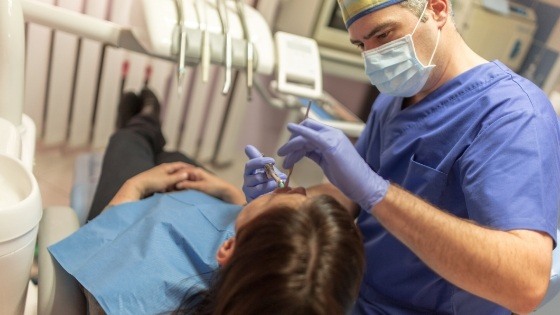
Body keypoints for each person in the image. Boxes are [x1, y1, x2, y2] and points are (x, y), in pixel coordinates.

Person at [244, 0, 560, 314]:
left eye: (383, 35)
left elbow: (525, 286)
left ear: (437, 9)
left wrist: (377, 191)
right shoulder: (394, 99)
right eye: (361, 44)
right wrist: (287, 200)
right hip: (354, 291)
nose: (373, 57)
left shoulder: (512, 117)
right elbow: (352, 196)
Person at [48, 88, 365, 314]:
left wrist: (136, 186)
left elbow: (106, 254)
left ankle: (142, 122)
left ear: (228, 248)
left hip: (137, 218)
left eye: (278, 199)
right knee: (178, 161)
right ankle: (147, 128)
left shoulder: (132, 297)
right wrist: (231, 194)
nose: (292, 187)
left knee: (128, 146)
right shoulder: (299, 299)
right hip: (192, 213)